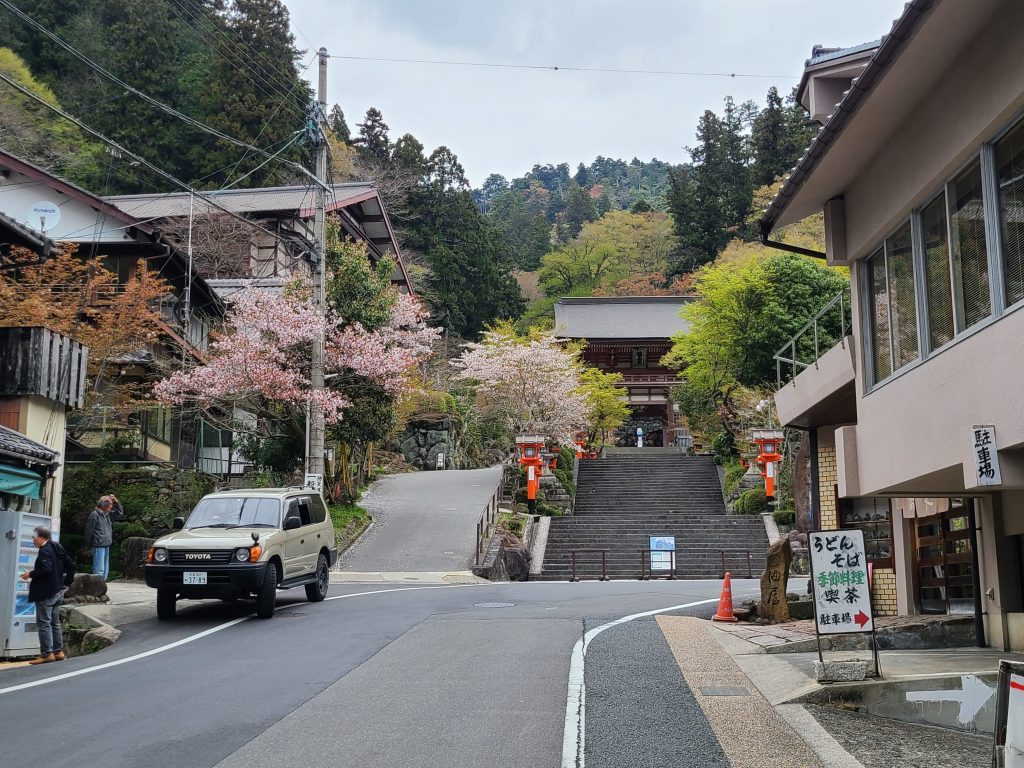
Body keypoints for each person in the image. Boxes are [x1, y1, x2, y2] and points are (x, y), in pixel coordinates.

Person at [19, 525, 74, 665]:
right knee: (55, 622)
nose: (33, 540)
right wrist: (66, 582)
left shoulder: (44, 551)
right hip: (58, 590)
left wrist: (29, 574)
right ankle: (58, 651)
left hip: (46, 592)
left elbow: (46, 569)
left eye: (34, 537)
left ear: (41, 537)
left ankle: (46, 653)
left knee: (44, 623)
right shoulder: (57, 546)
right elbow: (71, 565)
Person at [84, 494, 121, 581]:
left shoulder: (107, 514)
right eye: (110, 505)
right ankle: (95, 589)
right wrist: (87, 546)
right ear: (104, 505)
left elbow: (119, 513)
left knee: (105, 571)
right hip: (98, 545)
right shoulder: (95, 515)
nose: (111, 507)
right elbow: (88, 531)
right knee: (99, 570)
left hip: (106, 544)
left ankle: (101, 590)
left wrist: (116, 502)